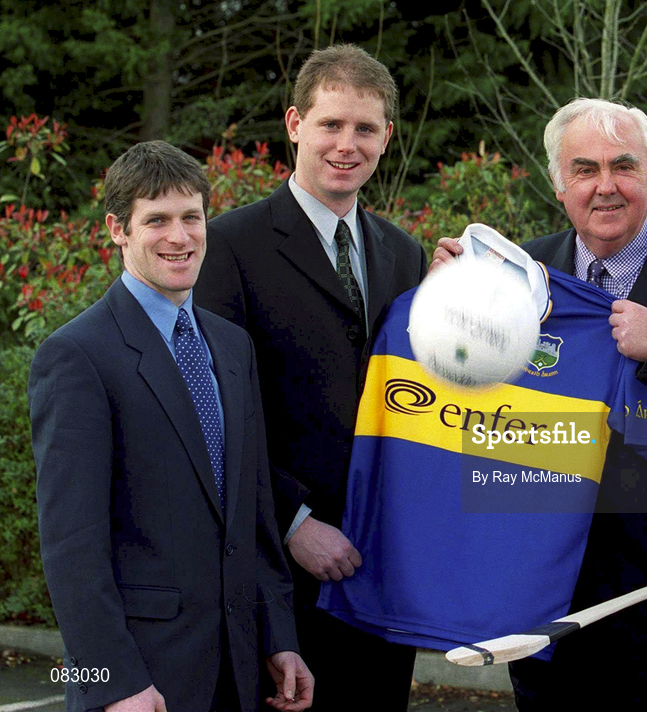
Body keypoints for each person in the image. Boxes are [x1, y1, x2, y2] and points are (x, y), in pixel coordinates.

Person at [433, 98, 647, 710]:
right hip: (542, 605)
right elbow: (457, 404)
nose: (606, 187)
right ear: (559, 184)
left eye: (624, 166)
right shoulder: (513, 281)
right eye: (585, 169)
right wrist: (447, 305)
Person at [29, 140, 312, 712]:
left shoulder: (232, 347)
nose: (179, 237)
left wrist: (280, 640)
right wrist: (110, 682)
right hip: (140, 682)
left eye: (191, 217)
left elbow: (252, 514)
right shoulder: (77, 356)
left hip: (240, 671)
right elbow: (70, 548)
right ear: (118, 230)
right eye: (156, 220)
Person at [194, 44, 427, 710]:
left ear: (386, 137)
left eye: (365, 128)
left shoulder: (403, 254)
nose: (346, 144)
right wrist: (292, 521)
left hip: (381, 578)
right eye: (331, 124)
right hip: (278, 581)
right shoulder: (228, 248)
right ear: (295, 124)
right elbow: (209, 412)